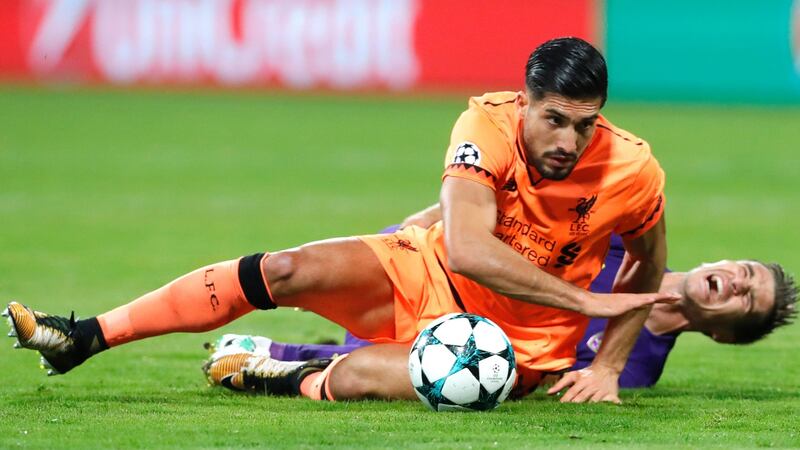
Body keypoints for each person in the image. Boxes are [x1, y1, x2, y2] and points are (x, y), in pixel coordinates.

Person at [5, 37, 678, 404]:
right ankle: (85, 337)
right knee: (284, 268)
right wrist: (583, 299)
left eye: (584, 125)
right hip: (430, 270)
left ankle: (281, 376)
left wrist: (609, 366)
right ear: (525, 102)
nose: (568, 141)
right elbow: (468, 249)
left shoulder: (633, 169)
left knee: (361, 378)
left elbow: (649, 265)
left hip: (512, 346)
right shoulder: (486, 123)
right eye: (554, 120)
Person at [209, 232, 796, 389]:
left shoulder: (633, 368)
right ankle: (289, 354)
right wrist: (425, 222)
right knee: (296, 271)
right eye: (744, 271)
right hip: (437, 272)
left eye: (747, 299)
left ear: (725, 335)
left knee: (472, 368)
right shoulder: (620, 242)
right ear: (722, 260)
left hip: (447, 338)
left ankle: (281, 360)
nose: (736, 284)